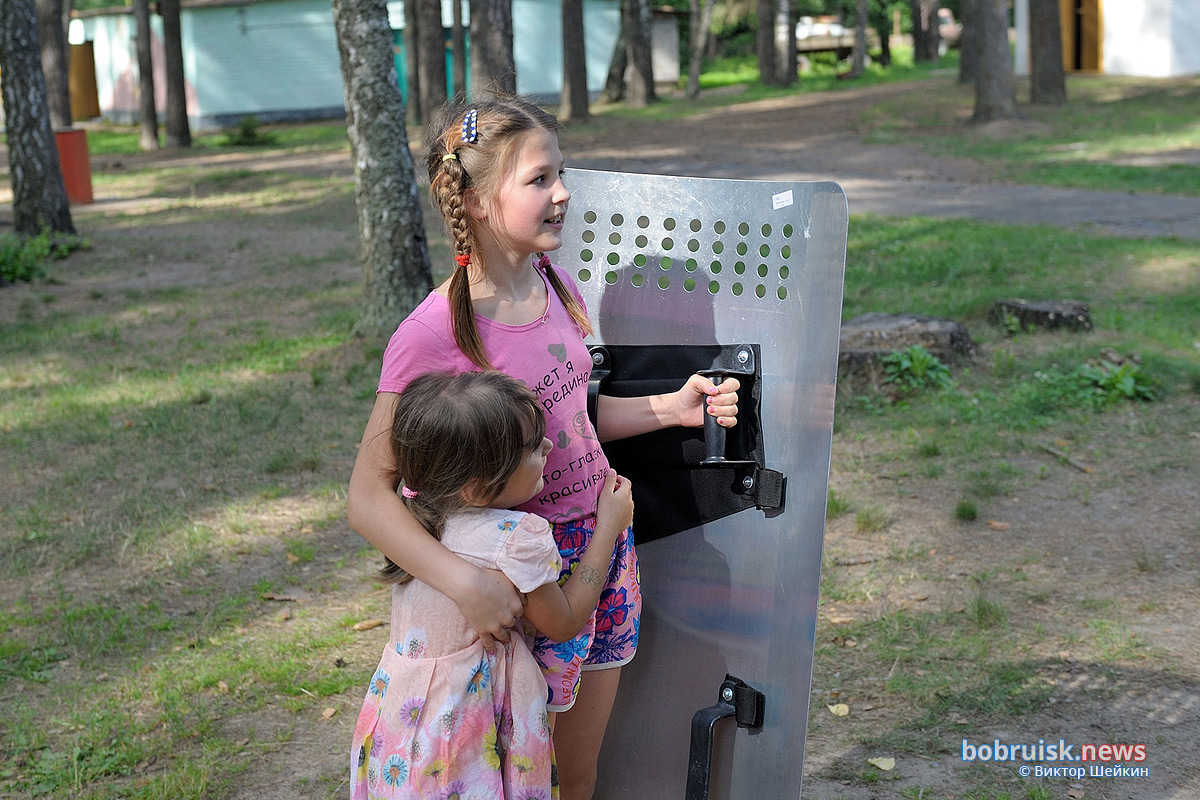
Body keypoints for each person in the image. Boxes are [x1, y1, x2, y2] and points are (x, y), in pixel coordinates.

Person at [346, 96, 740, 799]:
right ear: (477, 200)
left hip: (602, 556)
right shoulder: (434, 333)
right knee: (522, 777)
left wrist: (669, 408)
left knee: (578, 772)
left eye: (561, 174)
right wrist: (465, 584)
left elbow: (571, 422)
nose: (562, 193)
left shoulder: (553, 283)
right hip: (522, 585)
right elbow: (367, 495)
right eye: (539, 180)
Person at [350, 370, 635, 799]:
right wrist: (608, 529)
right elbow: (565, 621)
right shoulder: (514, 539)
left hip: (403, 731)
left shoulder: (416, 521)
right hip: (468, 735)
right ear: (477, 485)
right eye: (531, 447)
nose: (549, 446)